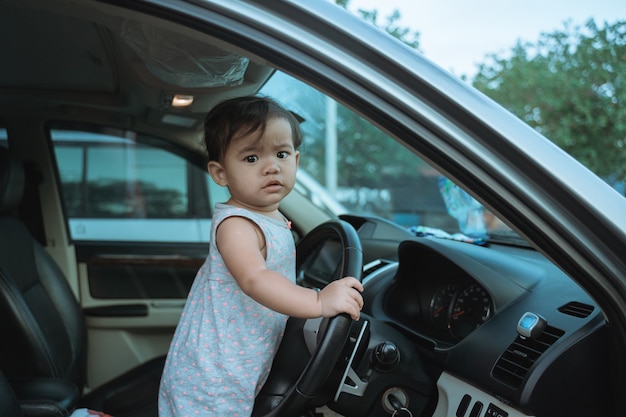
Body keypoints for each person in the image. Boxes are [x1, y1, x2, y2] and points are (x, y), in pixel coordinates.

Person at [158, 95, 364, 417]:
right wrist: (318, 302)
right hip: (215, 375)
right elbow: (255, 278)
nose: (271, 166)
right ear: (220, 173)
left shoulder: (270, 218)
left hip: (240, 364)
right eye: (251, 158)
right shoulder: (237, 225)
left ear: (295, 159)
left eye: (281, 154)